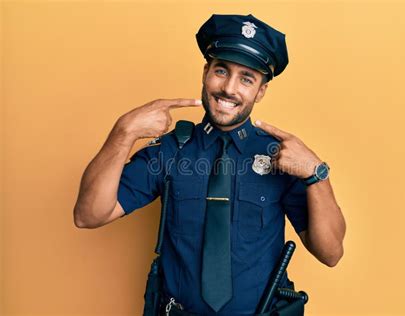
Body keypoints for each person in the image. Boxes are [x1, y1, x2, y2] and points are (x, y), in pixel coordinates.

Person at [73, 14, 346, 316]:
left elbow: (331, 253)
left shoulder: (281, 157)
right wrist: (123, 132)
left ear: (261, 91)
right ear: (206, 73)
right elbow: (89, 215)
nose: (229, 88)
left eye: (246, 78)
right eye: (221, 71)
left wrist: (316, 174)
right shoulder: (170, 151)